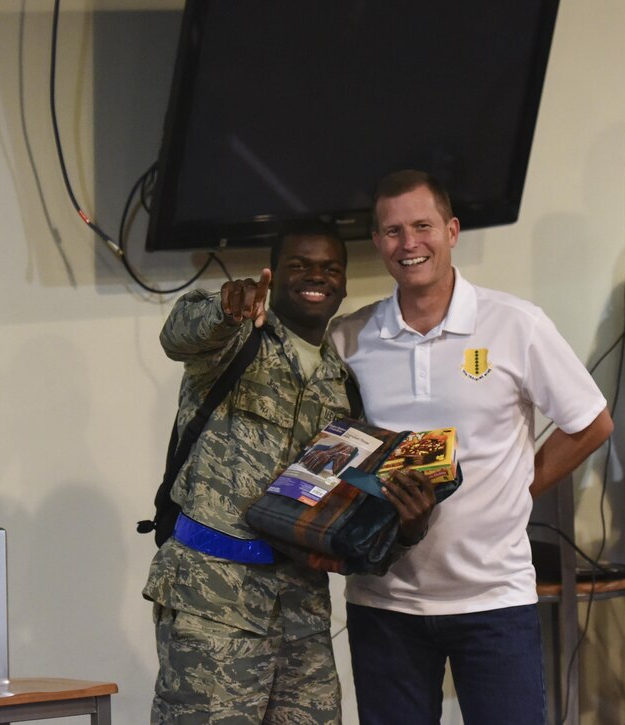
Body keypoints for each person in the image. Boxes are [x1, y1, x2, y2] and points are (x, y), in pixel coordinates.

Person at [329, 170, 614, 724]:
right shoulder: (349, 338)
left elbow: (592, 424)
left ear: (452, 231)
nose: (409, 244)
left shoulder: (516, 324)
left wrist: (520, 487)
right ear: (377, 242)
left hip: (494, 599)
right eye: (393, 231)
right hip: (384, 602)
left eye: (423, 226)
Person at [142, 226, 435, 724]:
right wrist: (224, 307)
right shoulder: (234, 341)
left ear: (343, 285)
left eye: (330, 268)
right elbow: (179, 333)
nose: (316, 276)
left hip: (302, 616)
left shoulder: (343, 386)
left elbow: (348, 525)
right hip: (213, 604)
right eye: (299, 265)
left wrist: (406, 530)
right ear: (274, 276)